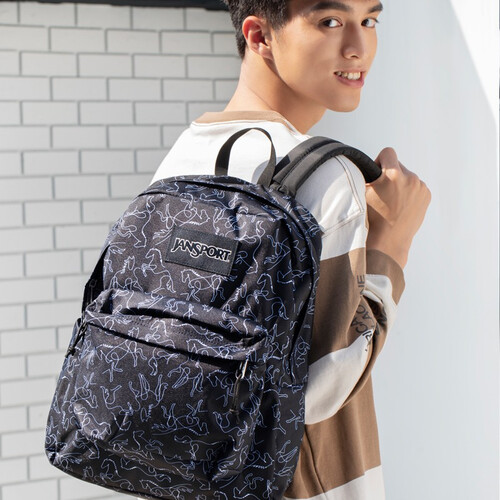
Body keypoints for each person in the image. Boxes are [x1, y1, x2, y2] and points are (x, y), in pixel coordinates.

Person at [151, 0, 431, 498]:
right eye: (330, 21)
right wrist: (391, 244)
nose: (359, 47)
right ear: (260, 36)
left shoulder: (183, 155)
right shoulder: (327, 176)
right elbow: (322, 387)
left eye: (369, 20)